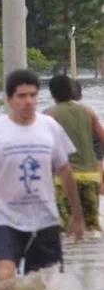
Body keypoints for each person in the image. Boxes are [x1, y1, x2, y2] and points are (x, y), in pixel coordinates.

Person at [0, 69, 85, 282]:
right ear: (10, 99)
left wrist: (77, 214)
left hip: (45, 219)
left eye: (33, 95)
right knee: (4, 276)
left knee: (45, 287)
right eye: (22, 96)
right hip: (5, 219)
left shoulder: (50, 127)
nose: (28, 101)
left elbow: (65, 171)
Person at [44, 75, 104, 233]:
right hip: (90, 177)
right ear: (72, 91)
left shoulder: (50, 115)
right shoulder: (88, 112)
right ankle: (91, 257)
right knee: (92, 227)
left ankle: (72, 256)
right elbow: (102, 139)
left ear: (52, 94)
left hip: (65, 180)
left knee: (66, 227)